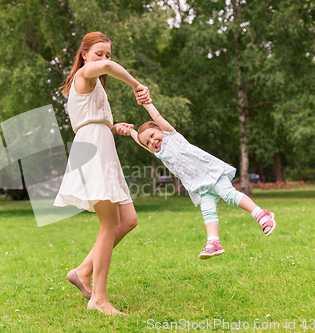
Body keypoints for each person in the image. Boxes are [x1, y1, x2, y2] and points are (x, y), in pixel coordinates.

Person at [54, 31, 151, 315]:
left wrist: (112, 126)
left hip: (101, 143)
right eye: (99, 53)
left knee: (128, 219)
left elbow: (92, 117)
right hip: (93, 149)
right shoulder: (84, 74)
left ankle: (83, 271)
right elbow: (108, 69)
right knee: (109, 225)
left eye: (108, 54)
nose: (105, 60)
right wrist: (136, 85)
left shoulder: (92, 83)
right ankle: (98, 299)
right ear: (84, 55)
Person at [115, 102, 276, 259]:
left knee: (229, 195)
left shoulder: (171, 136)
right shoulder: (159, 153)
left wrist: (146, 103)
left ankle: (261, 215)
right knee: (207, 212)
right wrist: (131, 132)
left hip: (211, 173)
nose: (152, 142)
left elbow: (156, 116)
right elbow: (142, 142)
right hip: (199, 186)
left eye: (152, 135)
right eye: (148, 143)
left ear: (160, 129)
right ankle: (214, 243)